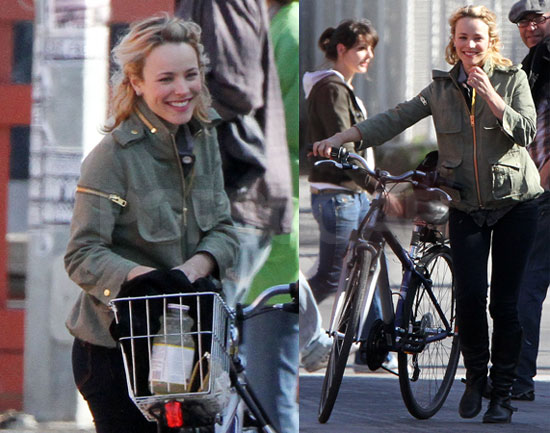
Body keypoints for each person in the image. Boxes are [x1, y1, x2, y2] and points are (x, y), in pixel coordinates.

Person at [313, 5, 543, 424]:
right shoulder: (439, 90)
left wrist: (492, 96)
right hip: (466, 204)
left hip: (515, 204)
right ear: (453, 44)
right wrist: (343, 137)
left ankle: (503, 394)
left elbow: (526, 131)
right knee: (470, 297)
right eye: (462, 38)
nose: (469, 44)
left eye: (477, 38)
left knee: (505, 306)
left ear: (489, 42)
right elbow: (395, 118)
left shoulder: (513, 80)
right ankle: (475, 378)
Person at [64, 15, 239, 432]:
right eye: (166, 79)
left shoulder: (205, 138)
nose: (182, 90)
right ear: (137, 82)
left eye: (190, 75)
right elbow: (82, 254)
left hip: (188, 344)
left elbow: (224, 231)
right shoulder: (113, 156)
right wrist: (149, 280)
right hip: (115, 350)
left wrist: (188, 272)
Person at [176, 0, 293, 309]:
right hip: (228, 199)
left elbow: (238, 89)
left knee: (205, 337)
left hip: (235, 196)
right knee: (205, 338)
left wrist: (169, 116)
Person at [303, 19, 378, 304]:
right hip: (339, 197)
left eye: (371, 48)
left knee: (365, 276)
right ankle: (296, 333)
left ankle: (376, 348)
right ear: (342, 49)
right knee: (331, 279)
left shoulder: (340, 87)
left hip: (352, 195)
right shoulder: (331, 88)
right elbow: (343, 147)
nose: (369, 55)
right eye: (362, 48)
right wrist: (375, 185)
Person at [508, 0, 550, 402]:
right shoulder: (531, 64)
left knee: (525, 286)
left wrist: (538, 185)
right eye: (523, 22)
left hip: (545, 194)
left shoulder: (546, 59)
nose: (530, 27)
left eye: (538, 19)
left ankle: (517, 380)